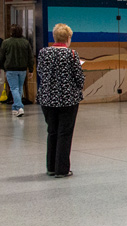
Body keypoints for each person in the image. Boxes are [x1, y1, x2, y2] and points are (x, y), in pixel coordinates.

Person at [36, 23, 85, 178]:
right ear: (68, 38)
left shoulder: (43, 53)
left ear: (54, 37)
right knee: (65, 133)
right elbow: (79, 78)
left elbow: (40, 72)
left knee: (52, 131)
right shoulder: (71, 54)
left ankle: (51, 166)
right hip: (67, 100)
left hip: (47, 99)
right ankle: (62, 169)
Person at [0, 24, 33, 117]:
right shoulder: (25, 42)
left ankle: (19, 107)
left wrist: (3, 67)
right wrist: (31, 70)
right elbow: (30, 57)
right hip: (22, 69)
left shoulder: (6, 42)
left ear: (11, 32)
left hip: (10, 69)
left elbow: (1, 56)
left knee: (14, 88)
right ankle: (15, 108)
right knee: (19, 88)